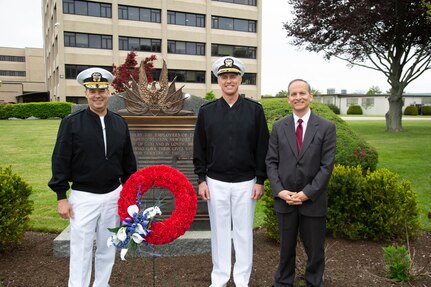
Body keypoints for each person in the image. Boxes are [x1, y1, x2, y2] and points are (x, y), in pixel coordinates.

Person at [48, 67, 137, 287]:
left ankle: (101, 284)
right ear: (86, 93)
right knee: (81, 249)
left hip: (112, 196)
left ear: (109, 92)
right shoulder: (71, 123)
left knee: (108, 246)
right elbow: (60, 159)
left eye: (101, 90)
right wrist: (61, 196)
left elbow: (128, 162)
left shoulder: (119, 123)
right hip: (83, 197)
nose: (97, 95)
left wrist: (130, 194)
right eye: (92, 90)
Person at [193, 56, 270, 287]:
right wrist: (201, 178)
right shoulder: (207, 111)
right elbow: (200, 147)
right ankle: (219, 278)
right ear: (218, 81)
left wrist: (260, 180)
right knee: (219, 232)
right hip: (215, 181)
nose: (229, 81)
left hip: (246, 182)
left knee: (244, 233)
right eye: (224, 77)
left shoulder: (254, 110)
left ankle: (241, 279)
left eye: (233, 76)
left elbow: (262, 147)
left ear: (240, 79)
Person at [265, 79, 336, 287]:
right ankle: (283, 282)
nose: (298, 97)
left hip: (313, 200)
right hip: (284, 200)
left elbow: (326, 166)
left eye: (302, 93)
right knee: (286, 248)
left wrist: (307, 193)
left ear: (310, 96)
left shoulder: (326, 127)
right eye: (293, 94)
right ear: (288, 99)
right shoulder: (279, 127)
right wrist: (279, 191)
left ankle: (314, 282)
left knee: (315, 250)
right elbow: (271, 161)